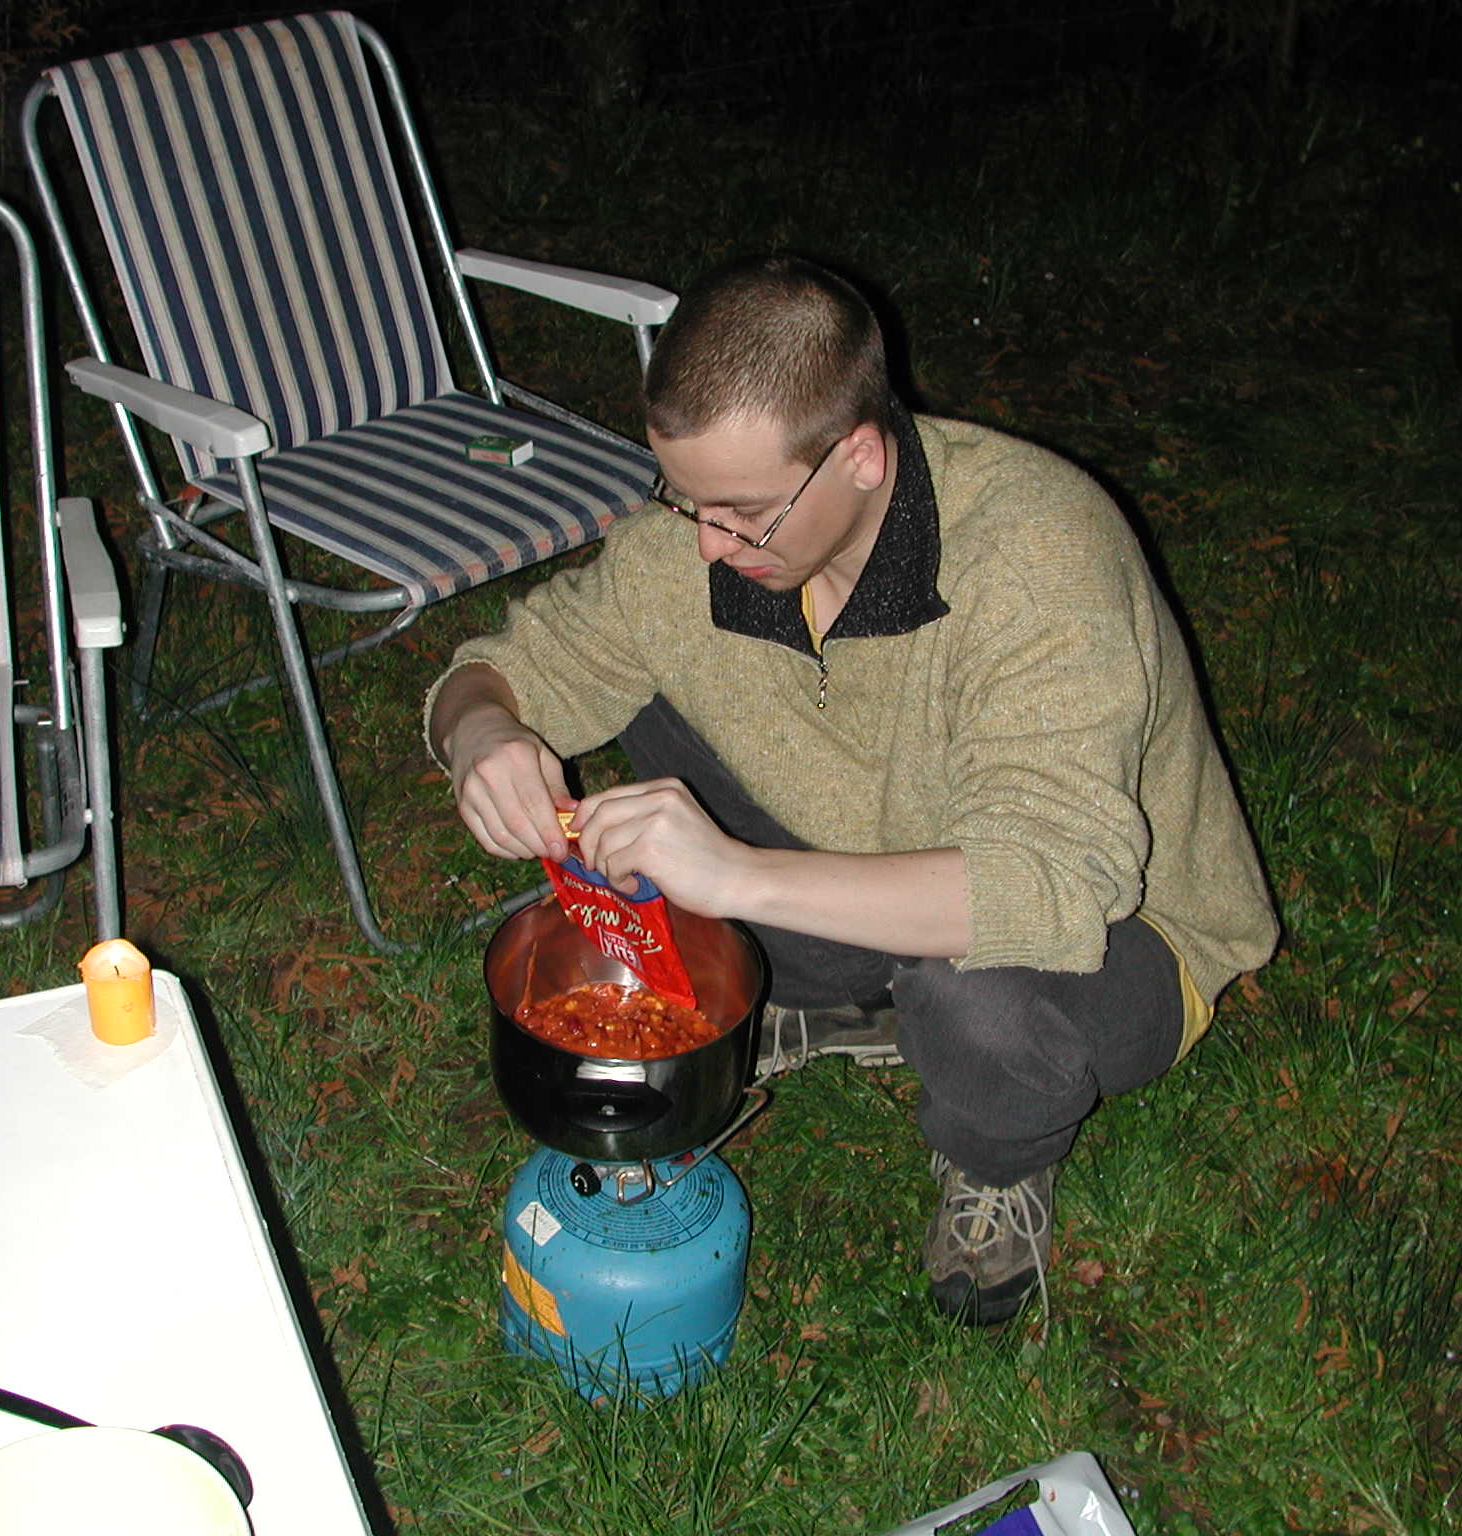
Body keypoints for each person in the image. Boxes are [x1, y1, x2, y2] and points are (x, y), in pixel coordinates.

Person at [426, 255, 1278, 1326]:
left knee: (977, 1005)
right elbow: (503, 667)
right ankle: (849, 991)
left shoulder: (1036, 556)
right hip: (853, 854)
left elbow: (1053, 885)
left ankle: (995, 1157)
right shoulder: (703, 544)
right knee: (652, 694)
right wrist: (484, 734)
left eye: (741, 512)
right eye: (685, 499)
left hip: (1118, 923)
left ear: (862, 458)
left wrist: (735, 876)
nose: (707, 543)